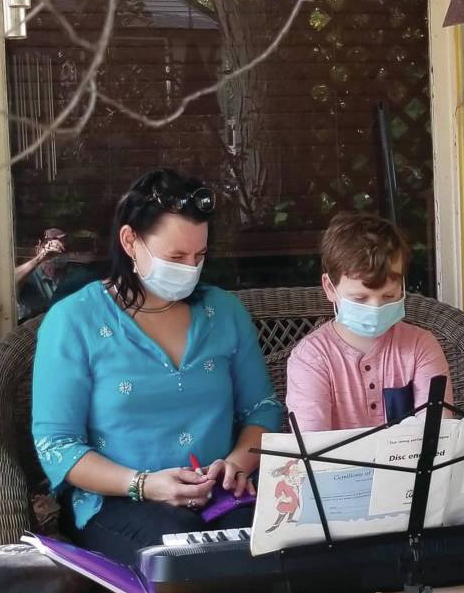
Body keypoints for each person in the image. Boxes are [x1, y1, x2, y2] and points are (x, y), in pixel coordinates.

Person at [31, 169, 282, 564]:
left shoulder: (224, 311)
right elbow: (57, 446)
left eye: (199, 256)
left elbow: (262, 409)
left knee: (280, 543)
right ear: (130, 241)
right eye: (176, 257)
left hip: (220, 496)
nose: (190, 268)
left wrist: (237, 463)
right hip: (118, 501)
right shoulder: (73, 320)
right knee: (187, 556)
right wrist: (144, 485)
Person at [286, 212, 452, 431]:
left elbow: (439, 434)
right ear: (329, 288)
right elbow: (311, 445)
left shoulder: (421, 346)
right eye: (360, 298)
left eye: (389, 296)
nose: (375, 308)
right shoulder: (310, 358)